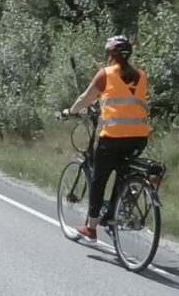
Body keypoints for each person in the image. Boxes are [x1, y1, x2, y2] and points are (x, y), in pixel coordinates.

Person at [60, 35, 151, 241]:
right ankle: (116, 211)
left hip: (113, 137)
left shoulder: (106, 74)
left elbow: (85, 98)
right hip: (139, 138)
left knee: (99, 179)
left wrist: (70, 112)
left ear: (110, 55)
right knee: (122, 172)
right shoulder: (142, 75)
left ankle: (90, 228)